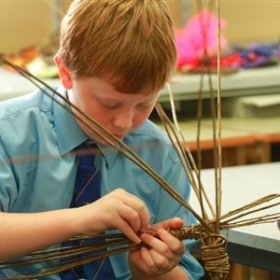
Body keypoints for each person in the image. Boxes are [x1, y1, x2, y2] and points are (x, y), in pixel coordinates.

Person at [0, 0, 204, 279]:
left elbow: (184, 272)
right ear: (65, 72)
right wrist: (79, 220)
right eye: (109, 104)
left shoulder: (158, 153)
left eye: (144, 105)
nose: (124, 122)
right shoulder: (9, 133)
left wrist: (154, 271)